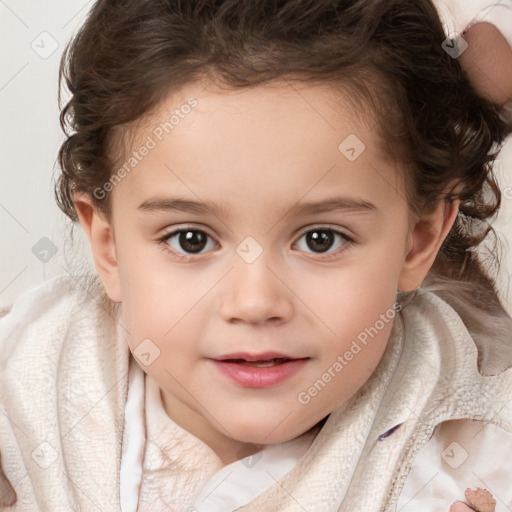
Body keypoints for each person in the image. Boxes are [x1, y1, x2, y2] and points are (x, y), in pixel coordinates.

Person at [0, 0, 511, 511]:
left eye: (320, 239)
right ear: (108, 248)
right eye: (191, 240)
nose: (254, 302)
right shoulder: (21, 402)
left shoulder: (472, 466)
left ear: (418, 240)